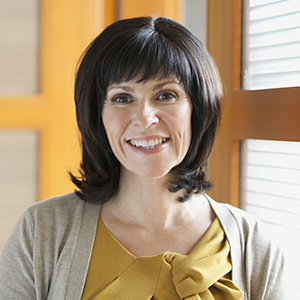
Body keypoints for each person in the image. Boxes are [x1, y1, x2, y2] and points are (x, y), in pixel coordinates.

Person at [0, 16, 286, 299]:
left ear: (197, 109)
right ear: (97, 116)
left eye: (165, 95)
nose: (145, 119)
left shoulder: (254, 244)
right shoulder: (42, 230)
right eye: (122, 98)